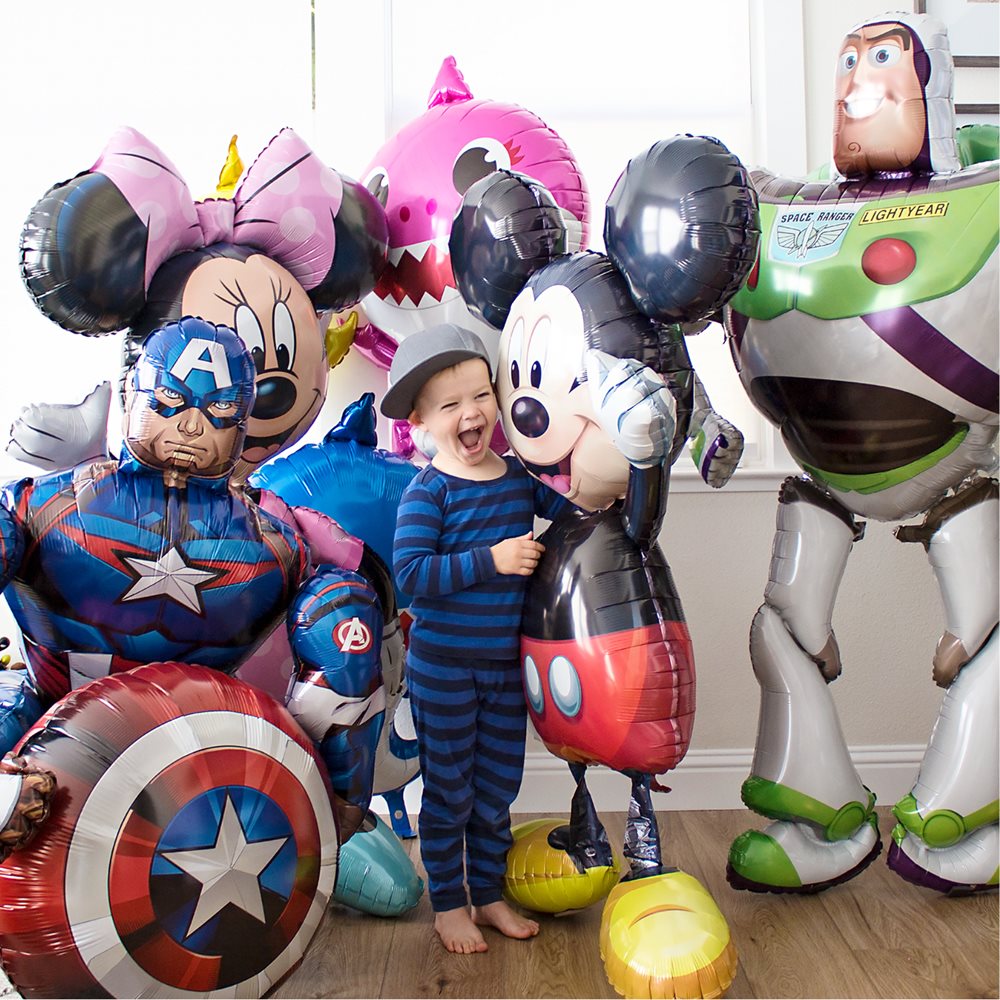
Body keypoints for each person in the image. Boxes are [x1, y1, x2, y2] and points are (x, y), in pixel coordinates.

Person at [382, 323, 565, 954]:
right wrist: (493, 560)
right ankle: (448, 904)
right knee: (450, 791)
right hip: (443, 670)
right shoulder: (427, 492)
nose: (471, 413)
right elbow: (411, 576)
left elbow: (574, 507)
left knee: (496, 789)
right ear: (420, 422)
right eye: (450, 405)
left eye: (481, 395)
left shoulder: (518, 480)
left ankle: (487, 894)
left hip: (505, 668)